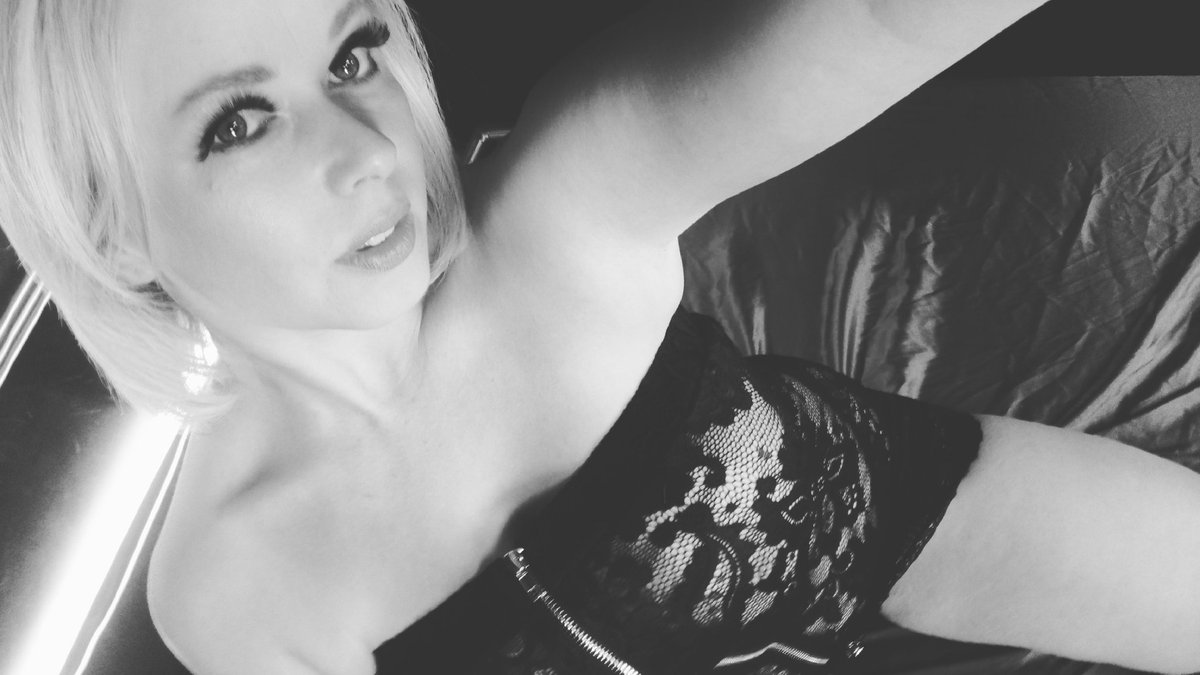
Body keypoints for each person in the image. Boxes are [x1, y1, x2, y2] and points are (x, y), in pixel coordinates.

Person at [2, 0, 1199, 673]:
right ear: (111, 227)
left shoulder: (563, 207)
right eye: (240, 121)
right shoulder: (234, 588)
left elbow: (884, 18)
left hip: (968, 543)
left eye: (353, 53)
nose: (365, 150)